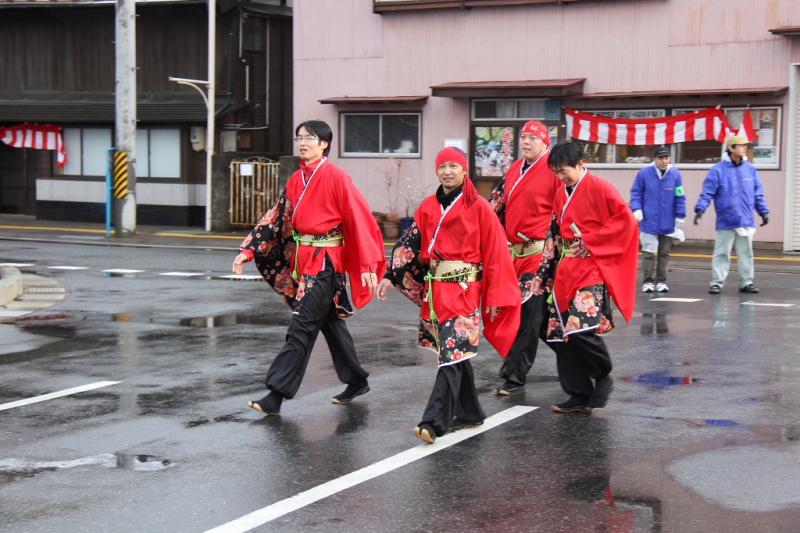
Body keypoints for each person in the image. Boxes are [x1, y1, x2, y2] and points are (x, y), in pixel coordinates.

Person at [233, 120, 386, 415]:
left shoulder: (337, 177)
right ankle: (356, 380)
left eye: (310, 138)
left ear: (325, 143)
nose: (302, 143)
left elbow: (359, 218)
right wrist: (249, 249)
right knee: (329, 321)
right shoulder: (296, 179)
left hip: (325, 261)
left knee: (301, 324)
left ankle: (276, 394)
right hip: (304, 260)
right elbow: (278, 216)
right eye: (299, 138)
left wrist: (367, 262)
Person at [377, 146, 520, 443]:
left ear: (464, 170)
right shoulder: (428, 207)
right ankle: (470, 412)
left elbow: (496, 252)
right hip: (436, 292)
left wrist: (496, 296)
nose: (447, 172)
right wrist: (390, 275)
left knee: (452, 352)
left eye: (454, 166)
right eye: (442, 166)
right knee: (454, 353)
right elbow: (410, 244)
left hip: (465, 290)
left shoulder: (479, 207)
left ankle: (433, 421)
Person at [532, 140, 638, 414]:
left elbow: (625, 221)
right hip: (565, 268)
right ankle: (579, 393)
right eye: (556, 172)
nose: (560, 177)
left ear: (580, 164)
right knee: (562, 335)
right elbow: (553, 232)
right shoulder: (561, 193)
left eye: (564, 171)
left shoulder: (601, 188)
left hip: (591, 267)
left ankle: (603, 372)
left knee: (580, 329)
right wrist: (542, 272)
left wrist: (592, 240)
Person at [488, 120, 561, 395]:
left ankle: (514, 375)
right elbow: (495, 204)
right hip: (515, 255)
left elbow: (565, 208)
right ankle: (580, 360)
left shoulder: (554, 170)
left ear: (545, 142)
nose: (527, 142)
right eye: (524, 137)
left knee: (527, 315)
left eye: (533, 138)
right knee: (539, 321)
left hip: (540, 255)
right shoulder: (515, 169)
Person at [694, 135, 769, 295]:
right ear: (731, 148)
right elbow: (707, 192)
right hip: (726, 218)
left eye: (745, 146)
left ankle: (747, 282)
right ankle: (717, 282)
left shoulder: (750, 170)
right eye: (741, 146)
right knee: (722, 253)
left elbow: (758, 194)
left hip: (746, 219)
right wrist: (700, 208)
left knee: (746, 254)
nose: (745, 148)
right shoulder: (718, 170)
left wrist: (763, 211)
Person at [630, 146, 686, 293]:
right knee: (648, 253)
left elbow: (680, 196)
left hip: (668, 222)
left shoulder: (675, 174)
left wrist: (680, 214)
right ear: (655, 159)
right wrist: (636, 209)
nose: (664, 161)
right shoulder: (644, 174)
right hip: (649, 220)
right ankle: (648, 280)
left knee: (664, 253)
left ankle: (661, 281)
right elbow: (636, 193)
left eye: (666, 158)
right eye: (661, 158)